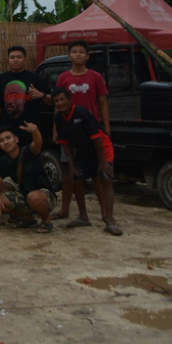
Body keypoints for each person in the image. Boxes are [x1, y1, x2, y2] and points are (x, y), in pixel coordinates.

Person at [52, 41, 111, 221]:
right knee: (70, 172)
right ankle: (65, 210)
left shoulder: (96, 77)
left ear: (87, 56)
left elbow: (102, 102)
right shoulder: (63, 77)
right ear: (69, 56)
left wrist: (107, 127)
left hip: (91, 132)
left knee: (97, 174)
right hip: (69, 132)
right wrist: (55, 128)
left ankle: (105, 213)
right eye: (74, 52)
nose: (78, 54)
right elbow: (57, 104)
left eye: (81, 52)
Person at [52, 88, 122, 235]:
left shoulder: (81, 113)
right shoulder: (59, 118)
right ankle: (83, 217)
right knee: (76, 178)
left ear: (69, 100)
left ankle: (109, 219)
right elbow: (65, 143)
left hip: (102, 148)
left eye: (62, 99)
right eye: (56, 101)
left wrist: (102, 163)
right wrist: (71, 164)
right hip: (84, 151)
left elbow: (97, 138)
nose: (60, 103)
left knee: (106, 180)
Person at [0, 123, 57, 233]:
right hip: (25, 196)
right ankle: (27, 218)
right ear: (0, 145)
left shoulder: (28, 152)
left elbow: (38, 144)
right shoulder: (3, 161)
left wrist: (35, 131)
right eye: (1, 140)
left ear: (16, 139)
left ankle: (46, 220)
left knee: (33, 197)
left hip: (44, 196)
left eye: (8, 138)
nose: (6, 142)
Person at [0, 46, 51, 144]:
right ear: (8, 60)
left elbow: (51, 102)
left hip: (30, 129)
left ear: (25, 59)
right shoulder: (1, 79)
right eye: (12, 57)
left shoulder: (35, 78)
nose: (15, 60)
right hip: (7, 130)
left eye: (19, 57)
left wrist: (42, 95)